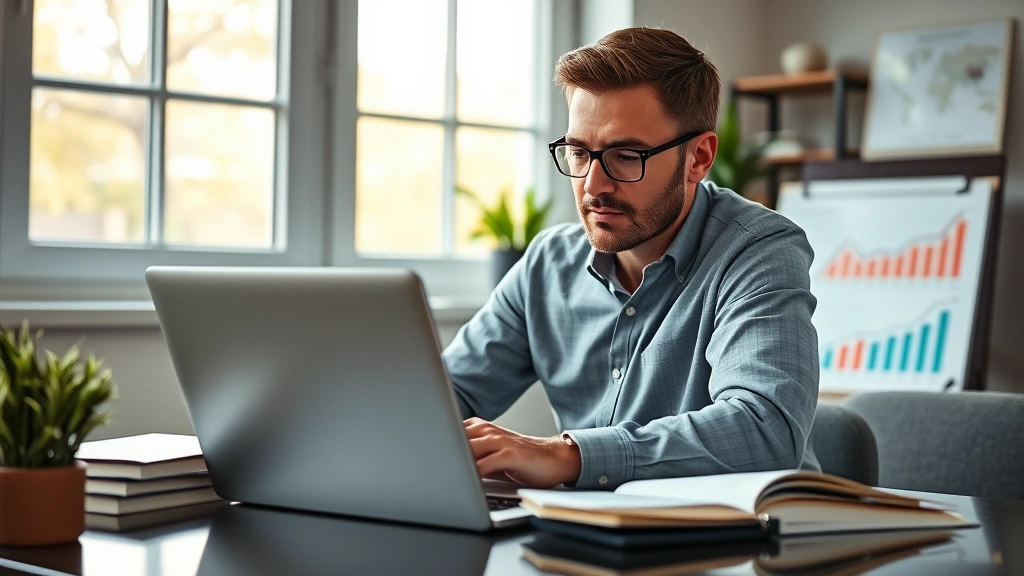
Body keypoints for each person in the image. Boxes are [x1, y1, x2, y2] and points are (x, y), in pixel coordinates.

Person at [444, 27, 820, 490]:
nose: (593, 185)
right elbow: (445, 395)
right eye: (579, 153)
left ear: (698, 158)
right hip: (588, 533)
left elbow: (765, 429)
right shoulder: (547, 265)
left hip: (741, 542)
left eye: (626, 156)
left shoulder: (758, 250)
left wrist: (570, 455)